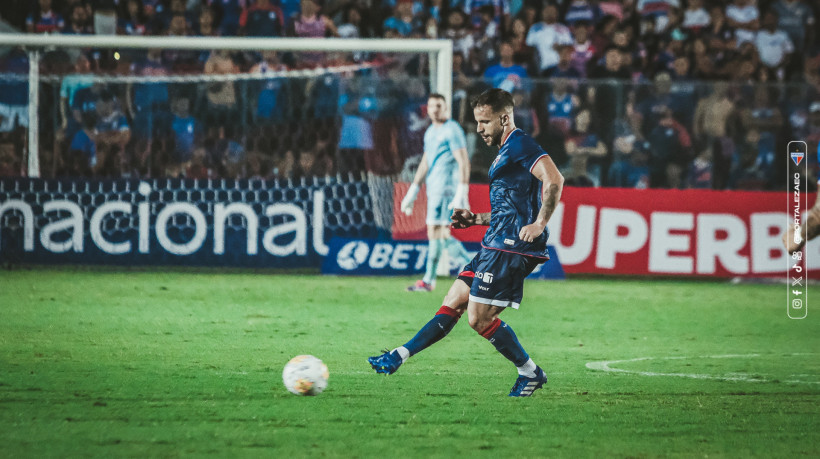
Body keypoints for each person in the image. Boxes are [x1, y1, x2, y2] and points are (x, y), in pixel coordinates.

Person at [369, 88, 565, 397]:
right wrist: (474, 219)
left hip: (510, 247)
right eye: (477, 121)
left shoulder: (520, 144)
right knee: (454, 300)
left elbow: (554, 179)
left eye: (485, 122)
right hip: (494, 242)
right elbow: (508, 209)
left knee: (479, 318)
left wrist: (540, 223)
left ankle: (530, 372)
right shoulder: (505, 150)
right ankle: (398, 355)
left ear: (504, 117)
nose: (479, 129)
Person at [400, 94, 473, 292]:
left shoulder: (452, 129)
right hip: (433, 187)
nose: (435, 109)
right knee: (438, 232)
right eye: (432, 106)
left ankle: (436, 278)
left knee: (437, 232)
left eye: (439, 106)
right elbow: (426, 161)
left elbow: (463, 160)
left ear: (446, 107)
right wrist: (413, 190)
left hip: (445, 188)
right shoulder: (431, 131)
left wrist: (462, 190)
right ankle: (470, 271)